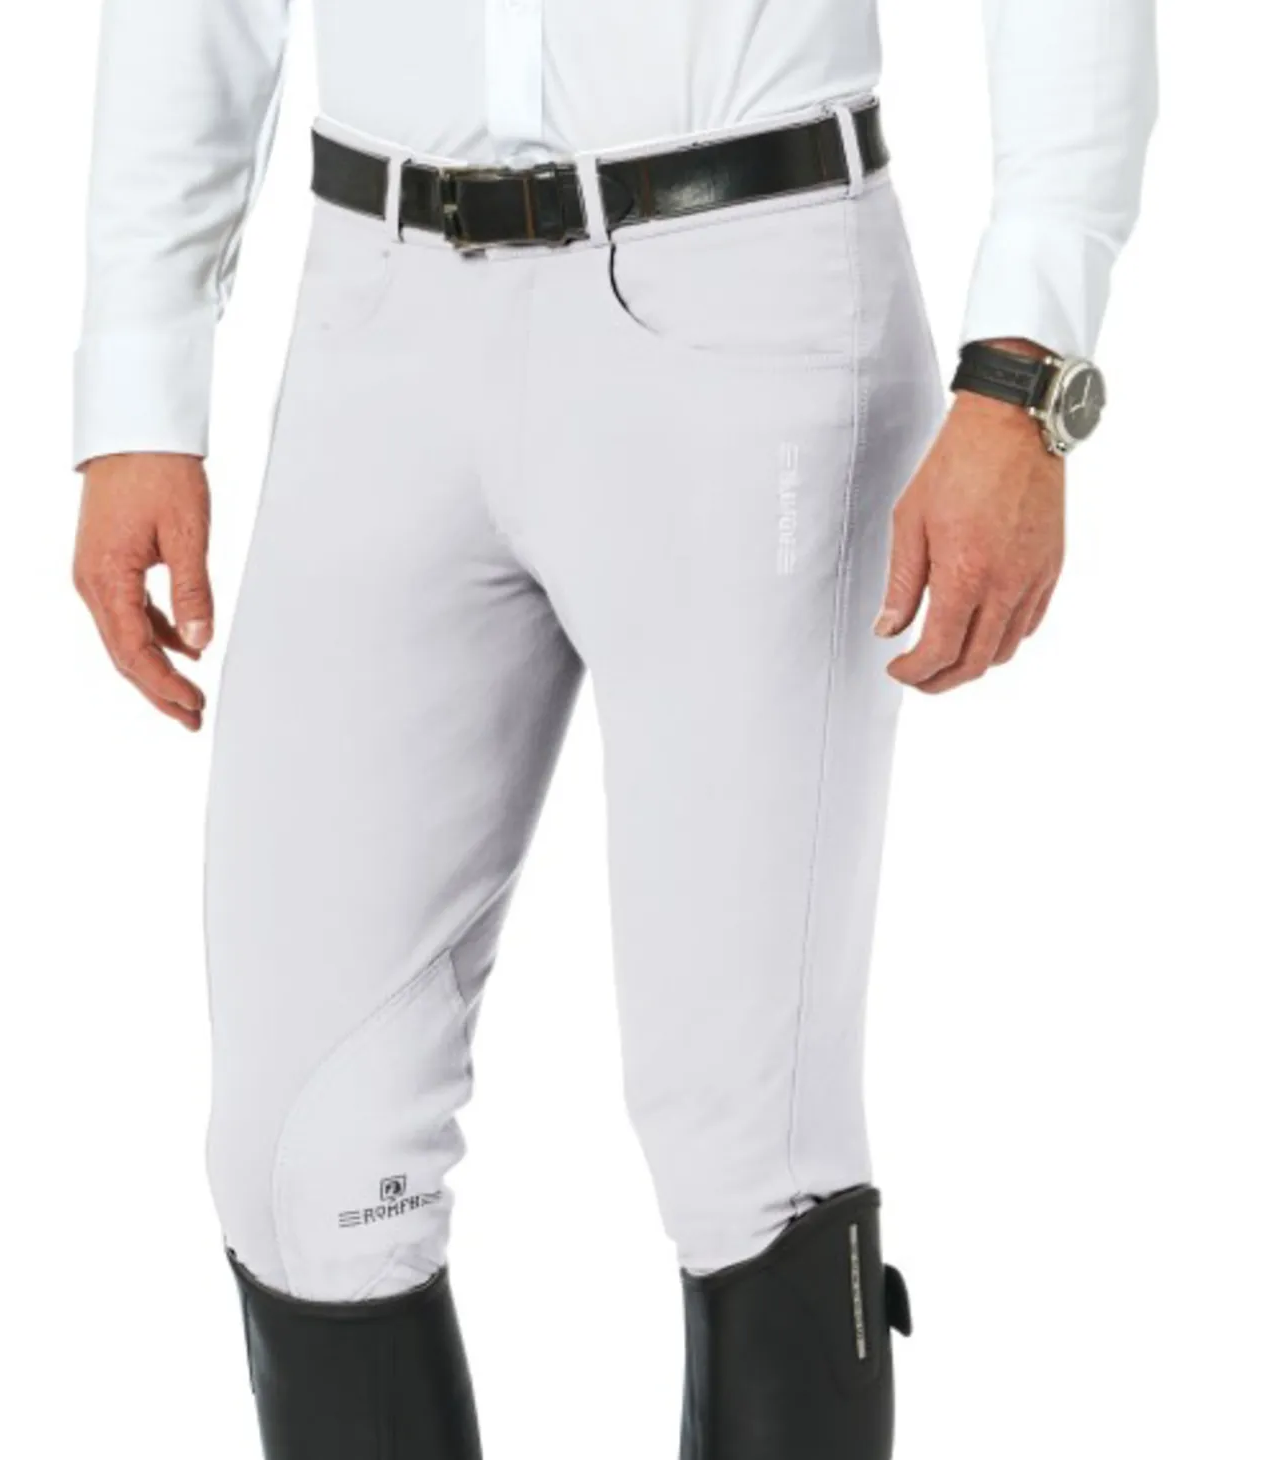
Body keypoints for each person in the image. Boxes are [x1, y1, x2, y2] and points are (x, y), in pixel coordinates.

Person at [70, 3, 1157, 1454]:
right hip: (376, 315)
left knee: (747, 1140)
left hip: (751, 290)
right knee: (302, 1162)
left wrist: (1025, 375)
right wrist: (140, 380)